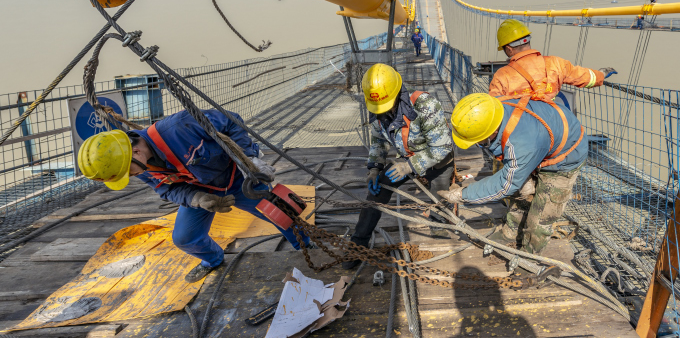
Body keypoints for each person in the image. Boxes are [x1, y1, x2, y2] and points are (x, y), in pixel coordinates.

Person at [77, 109, 310, 283]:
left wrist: (249, 160)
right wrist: (197, 199)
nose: (132, 176)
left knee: (283, 215)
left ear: (135, 151)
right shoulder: (139, 164)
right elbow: (166, 189)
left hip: (238, 178)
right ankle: (212, 259)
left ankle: (307, 249)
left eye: (128, 172)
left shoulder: (179, 127)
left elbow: (231, 121)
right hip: (201, 190)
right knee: (184, 238)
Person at [439, 93, 587, 254]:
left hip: (564, 159)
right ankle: (511, 234)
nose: (477, 144)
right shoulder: (494, 110)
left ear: (493, 132)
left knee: (542, 215)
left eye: (479, 141)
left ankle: (529, 255)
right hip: (539, 143)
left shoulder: (522, 143)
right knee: (520, 194)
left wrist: (463, 194)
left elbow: (505, 185)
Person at [343, 63, 454, 269]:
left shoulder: (425, 105)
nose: (383, 111)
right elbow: (378, 141)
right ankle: (358, 243)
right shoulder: (378, 111)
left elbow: (442, 147)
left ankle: (441, 239)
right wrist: (375, 168)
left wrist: (410, 166)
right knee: (377, 192)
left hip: (436, 162)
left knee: (440, 211)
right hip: (407, 160)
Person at [490, 18, 617, 100]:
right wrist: (602, 74)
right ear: (528, 40)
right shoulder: (555, 63)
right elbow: (584, 77)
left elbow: (493, 109)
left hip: (519, 132)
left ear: (509, 49)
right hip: (550, 127)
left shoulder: (502, 75)